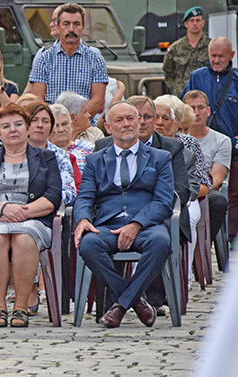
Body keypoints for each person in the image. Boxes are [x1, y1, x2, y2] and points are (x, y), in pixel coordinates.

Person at [74, 101, 174, 328]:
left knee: (160, 242)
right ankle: (135, 300)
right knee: (88, 244)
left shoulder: (160, 158)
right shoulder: (95, 159)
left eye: (131, 118)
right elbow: (85, 197)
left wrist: (137, 224)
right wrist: (83, 219)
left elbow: (163, 202)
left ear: (139, 121)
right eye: (119, 120)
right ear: (108, 128)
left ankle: (119, 305)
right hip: (107, 224)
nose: (126, 124)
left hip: (147, 225)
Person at [95, 95, 192, 314]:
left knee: (158, 237)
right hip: (113, 216)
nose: (143, 121)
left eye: (148, 116)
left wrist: (143, 217)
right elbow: (95, 191)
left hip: (158, 216)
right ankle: (130, 299)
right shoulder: (102, 146)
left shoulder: (170, 148)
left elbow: (180, 192)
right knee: (95, 239)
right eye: (137, 116)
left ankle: (153, 299)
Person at [0, 103, 62, 327]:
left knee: (24, 238)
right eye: (6, 126)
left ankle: (21, 307)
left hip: (33, 219)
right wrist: (2, 208)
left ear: (28, 128)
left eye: (18, 124)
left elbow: (52, 197)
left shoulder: (46, 157)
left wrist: (21, 212)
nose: (13, 130)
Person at [182, 37, 238, 241]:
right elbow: (184, 105)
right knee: (204, 189)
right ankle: (205, 234)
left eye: (220, 56)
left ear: (231, 56)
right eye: (212, 56)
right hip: (199, 143)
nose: (216, 60)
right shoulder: (197, 77)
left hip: (234, 145)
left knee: (236, 194)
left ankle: (233, 238)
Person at [154, 95, 210, 272]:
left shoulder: (187, 143)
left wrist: (185, 193)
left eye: (165, 118)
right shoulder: (143, 142)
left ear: (175, 121)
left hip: (185, 196)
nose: (159, 123)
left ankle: (183, 274)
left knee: (189, 218)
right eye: (154, 117)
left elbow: (202, 183)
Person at [28, 2, 108, 115]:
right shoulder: (44, 57)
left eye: (76, 24)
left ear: (83, 27)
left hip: (86, 123)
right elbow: (37, 100)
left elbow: (98, 102)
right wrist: (57, 121)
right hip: (52, 124)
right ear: (57, 27)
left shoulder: (95, 58)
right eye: (66, 24)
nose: (71, 29)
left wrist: (75, 121)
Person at [183, 90, 230, 242]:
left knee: (218, 201)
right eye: (191, 108)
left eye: (200, 108)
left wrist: (195, 190)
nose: (196, 113)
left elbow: (216, 181)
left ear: (208, 111)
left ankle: (204, 244)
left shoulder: (222, 141)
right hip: (181, 184)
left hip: (204, 187)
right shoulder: (178, 137)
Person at [25, 101, 77, 206]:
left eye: (45, 121)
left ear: (51, 127)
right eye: (34, 120)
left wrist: (42, 201)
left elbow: (69, 192)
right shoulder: (12, 152)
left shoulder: (60, 155)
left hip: (47, 211)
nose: (40, 125)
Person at [162, 7, 210, 97]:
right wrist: (175, 90)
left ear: (203, 23)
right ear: (186, 24)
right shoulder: (175, 48)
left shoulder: (211, 46)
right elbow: (168, 72)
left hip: (205, 95)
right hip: (182, 95)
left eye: (198, 20)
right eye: (192, 21)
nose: (195, 23)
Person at [49, 103, 94, 174]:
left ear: (71, 125)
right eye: (56, 126)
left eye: (64, 124)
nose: (61, 129)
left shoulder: (89, 148)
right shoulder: (47, 152)